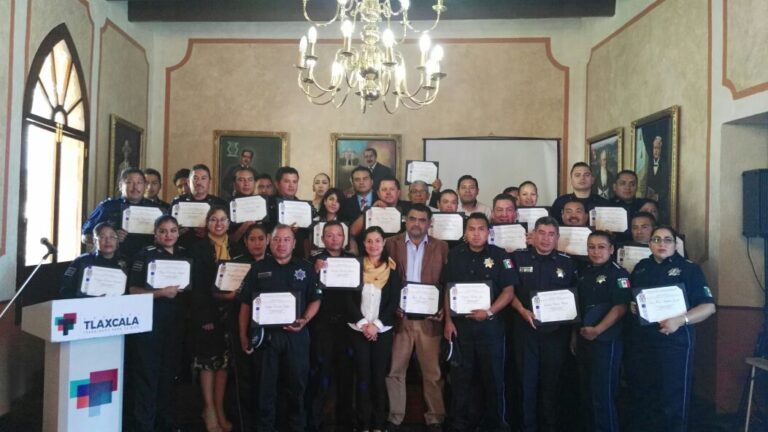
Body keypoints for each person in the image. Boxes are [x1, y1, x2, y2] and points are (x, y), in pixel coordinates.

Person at [626, 226, 716, 432]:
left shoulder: (689, 269)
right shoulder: (641, 267)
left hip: (675, 342)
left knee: (673, 397)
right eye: (656, 239)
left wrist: (680, 320)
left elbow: (708, 307)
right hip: (644, 343)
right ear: (649, 244)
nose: (662, 244)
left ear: (676, 245)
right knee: (645, 395)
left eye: (667, 240)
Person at [237, 224, 321, 432]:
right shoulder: (257, 269)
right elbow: (245, 305)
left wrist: (304, 320)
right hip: (266, 338)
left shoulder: (305, 268)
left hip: (296, 337)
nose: (281, 244)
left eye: (286, 240)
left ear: (294, 243)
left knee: (296, 388)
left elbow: (316, 299)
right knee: (265, 389)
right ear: (269, 242)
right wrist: (243, 335)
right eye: (276, 239)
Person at [442, 213, 518, 432]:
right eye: (472, 229)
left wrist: (490, 312)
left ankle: (496, 424)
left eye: (481, 229)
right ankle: (459, 425)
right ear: (465, 232)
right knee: (460, 380)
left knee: (494, 379)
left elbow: (509, 291)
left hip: (491, 329)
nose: (476, 233)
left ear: (488, 232)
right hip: (461, 329)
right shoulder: (455, 255)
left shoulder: (500, 255)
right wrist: (448, 321)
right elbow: (448, 289)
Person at [384, 205, 448, 432]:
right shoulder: (390, 244)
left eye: (422, 220)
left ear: (429, 223)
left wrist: (443, 308)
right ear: (405, 220)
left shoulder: (442, 247)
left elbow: (446, 283)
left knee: (432, 373)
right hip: (400, 318)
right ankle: (395, 417)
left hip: (429, 319)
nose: (417, 224)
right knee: (395, 371)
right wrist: (391, 307)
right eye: (412, 219)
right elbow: (382, 279)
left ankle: (435, 418)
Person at [510, 216, 577, 432]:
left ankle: (550, 426)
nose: (546, 239)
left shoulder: (567, 263)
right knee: (525, 383)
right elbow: (507, 291)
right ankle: (526, 427)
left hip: (555, 335)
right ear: (533, 234)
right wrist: (522, 310)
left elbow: (575, 300)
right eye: (541, 233)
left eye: (551, 234)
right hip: (525, 331)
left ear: (557, 237)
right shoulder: (518, 259)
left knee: (552, 385)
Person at [125, 215, 189, 432]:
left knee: (169, 375)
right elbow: (133, 291)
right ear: (155, 234)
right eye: (163, 231)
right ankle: (145, 425)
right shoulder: (144, 255)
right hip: (149, 324)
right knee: (147, 375)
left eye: (172, 231)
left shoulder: (184, 255)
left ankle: (167, 423)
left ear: (178, 233)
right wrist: (161, 293)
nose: (168, 235)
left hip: (175, 324)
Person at [571, 231, 629, 432]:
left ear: (612, 249)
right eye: (592, 247)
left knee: (603, 396)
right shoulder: (585, 273)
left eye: (601, 247)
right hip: (584, 339)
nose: (596, 251)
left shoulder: (618, 274)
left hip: (606, 341)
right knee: (587, 395)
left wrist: (598, 330)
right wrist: (574, 336)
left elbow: (621, 307)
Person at [347, 226, 401, 432]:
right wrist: (363, 324)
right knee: (362, 377)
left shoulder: (392, 269)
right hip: (358, 330)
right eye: (369, 241)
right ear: (364, 244)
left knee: (378, 377)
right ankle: (363, 424)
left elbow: (393, 301)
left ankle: (378, 424)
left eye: (377, 240)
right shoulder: (355, 267)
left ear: (384, 243)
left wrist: (376, 326)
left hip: (382, 331)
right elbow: (348, 300)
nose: (373, 245)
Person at [189, 206, 236, 432]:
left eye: (223, 220)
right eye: (214, 220)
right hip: (208, 312)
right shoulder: (198, 248)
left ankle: (219, 409)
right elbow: (197, 287)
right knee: (208, 361)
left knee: (224, 363)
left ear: (229, 222)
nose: (219, 224)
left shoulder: (235, 245)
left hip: (231, 312)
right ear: (207, 223)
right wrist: (204, 316)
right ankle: (208, 409)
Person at [306, 221, 356, 432]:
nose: (334, 239)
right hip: (322, 325)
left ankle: (345, 421)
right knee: (320, 373)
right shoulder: (312, 262)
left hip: (347, 326)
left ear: (344, 239)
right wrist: (315, 272)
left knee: (346, 375)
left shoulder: (353, 261)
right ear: (322, 238)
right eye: (330, 235)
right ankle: (315, 421)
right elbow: (307, 292)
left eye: (338, 235)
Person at [82, 168, 163, 259]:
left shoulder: (156, 209)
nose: (135, 187)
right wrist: (111, 237)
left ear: (144, 186)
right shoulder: (107, 206)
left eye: (139, 183)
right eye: (129, 183)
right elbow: (85, 236)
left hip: (146, 261)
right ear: (121, 186)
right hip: (113, 260)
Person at [60, 222, 127, 298]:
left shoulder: (125, 263)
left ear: (117, 241)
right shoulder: (82, 261)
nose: (108, 240)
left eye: (112, 237)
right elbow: (66, 290)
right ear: (95, 241)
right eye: (102, 237)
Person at [172, 164, 228, 248]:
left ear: (209, 182)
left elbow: (228, 233)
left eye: (203, 178)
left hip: (211, 250)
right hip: (181, 249)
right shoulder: (177, 202)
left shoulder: (220, 204)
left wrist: (210, 232)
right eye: (195, 178)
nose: (199, 182)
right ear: (188, 182)